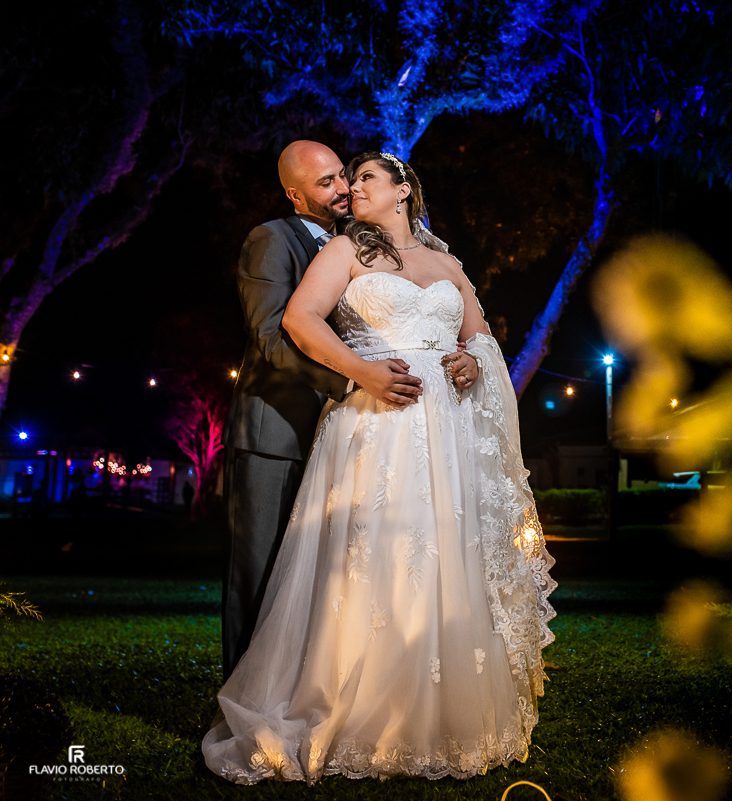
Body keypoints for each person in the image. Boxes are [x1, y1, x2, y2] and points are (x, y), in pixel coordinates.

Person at [202, 152, 556, 784]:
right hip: (375, 424)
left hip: (445, 432)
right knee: (373, 561)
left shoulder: (447, 264)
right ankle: (355, 704)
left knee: (444, 556)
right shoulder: (341, 253)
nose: (350, 188)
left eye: (364, 177)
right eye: (344, 179)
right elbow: (296, 319)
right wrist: (360, 371)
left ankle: (441, 708)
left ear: (403, 190)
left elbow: (480, 337)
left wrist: (472, 362)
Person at [220, 141, 425, 681]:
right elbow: (270, 336)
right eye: (326, 183)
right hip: (275, 436)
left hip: (346, 437)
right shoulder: (271, 240)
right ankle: (240, 706)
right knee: (260, 572)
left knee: (320, 574)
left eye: (343, 177)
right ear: (294, 193)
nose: (343, 190)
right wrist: (354, 378)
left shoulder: (358, 247)